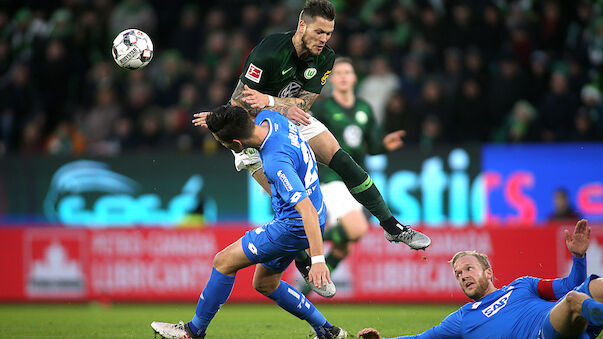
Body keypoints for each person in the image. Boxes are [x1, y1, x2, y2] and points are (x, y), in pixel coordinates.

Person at [192, 0, 430, 253]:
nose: (323, 39)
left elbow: (304, 103)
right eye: (319, 32)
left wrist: (271, 102)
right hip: (248, 127)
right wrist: (225, 117)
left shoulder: (326, 58)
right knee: (285, 200)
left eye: (328, 33)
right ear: (302, 25)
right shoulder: (270, 51)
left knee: (342, 159)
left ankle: (392, 227)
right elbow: (241, 104)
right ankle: (305, 261)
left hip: (288, 117)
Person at [151, 105, 349, 339]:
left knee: (223, 262)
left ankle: (193, 332)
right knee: (265, 283)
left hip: (293, 226)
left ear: (236, 144)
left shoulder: (276, 162)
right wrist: (216, 119)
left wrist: (318, 260)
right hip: (316, 212)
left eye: (226, 145)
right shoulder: (273, 118)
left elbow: (306, 211)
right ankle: (328, 331)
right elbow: (240, 111)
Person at [357, 219, 603, 339]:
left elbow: (570, 285)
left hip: (567, 324)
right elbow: (422, 338)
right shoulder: (463, 317)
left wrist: (578, 257)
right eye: (458, 274)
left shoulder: (523, 285)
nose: (463, 276)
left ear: (488, 272)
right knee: (573, 300)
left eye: (468, 269)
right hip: (542, 334)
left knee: (596, 285)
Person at [297, 57, 407, 295]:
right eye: (339, 73)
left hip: (354, 182)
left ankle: (307, 287)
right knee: (357, 230)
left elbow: (373, 146)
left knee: (343, 247)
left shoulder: (364, 108)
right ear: (332, 79)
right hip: (331, 178)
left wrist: (384, 145)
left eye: (348, 72)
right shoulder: (324, 109)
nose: (344, 76)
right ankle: (300, 237)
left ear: (355, 78)